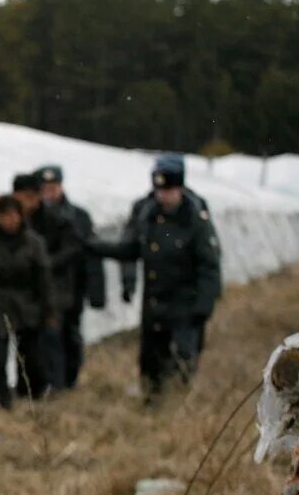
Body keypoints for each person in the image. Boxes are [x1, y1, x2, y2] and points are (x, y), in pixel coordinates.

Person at [94, 154, 222, 399]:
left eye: (169, 190)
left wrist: (205, 304)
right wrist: (97, 247)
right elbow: (132, 247)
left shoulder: (195, 218)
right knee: (152, 357)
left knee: (183, 356)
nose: (163, 196)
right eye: (159, 190)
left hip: (185, 301)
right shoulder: (147, 214)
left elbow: (209, 264)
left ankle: (179, 404)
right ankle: (152, 400)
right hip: (155, 300)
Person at [0, 194, 54, 408]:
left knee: (31, 358)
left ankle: (32, 396)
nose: (9, 220)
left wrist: (47, 310)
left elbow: (44, 278)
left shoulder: (34, 243)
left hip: (27, 303)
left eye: (13, 214)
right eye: (4, 215)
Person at [35, 164, 106, 388]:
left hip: (73, 286)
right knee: (49, 337)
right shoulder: (34, 218)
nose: (48, 192)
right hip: (45, 289)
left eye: (52, 187)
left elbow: (92, 254)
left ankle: (70, 378)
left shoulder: (79, 216)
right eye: (44, 187)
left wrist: (97, 291)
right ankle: (54, 383)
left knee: (70, 335)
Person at [11, 172, 83, 392]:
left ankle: (60, 385)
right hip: (28, 291)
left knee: (56, 336)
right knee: (29, 340)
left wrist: (45, 264)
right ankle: (30, 388)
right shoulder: (15, 221)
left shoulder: (59, 219)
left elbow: (72, 249)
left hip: (57, 287)